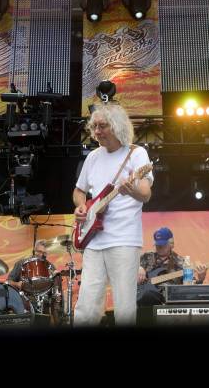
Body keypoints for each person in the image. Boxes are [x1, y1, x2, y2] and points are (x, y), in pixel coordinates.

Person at [72, 102, 153, 326]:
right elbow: (79, 191)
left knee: (124, 308)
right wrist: (81, 207)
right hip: (94, 240)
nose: (96, 131)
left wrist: (132, 189)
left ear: (117, 126)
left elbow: (145, 194)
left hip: (124, 239)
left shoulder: (137, 154)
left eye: (102, 126)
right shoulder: (93, 157)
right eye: (94, 126)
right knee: (86, 307)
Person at [137, 227, 208, 306]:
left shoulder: (181, 262)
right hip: (143, 298)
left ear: (171, 244)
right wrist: (138, 268)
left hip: (168, 302)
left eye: (163, 244)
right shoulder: (146, 257)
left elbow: (190, 288)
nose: (159, 247)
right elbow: (127, 270)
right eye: (157, 244)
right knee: (146, 294)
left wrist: (201, 279)